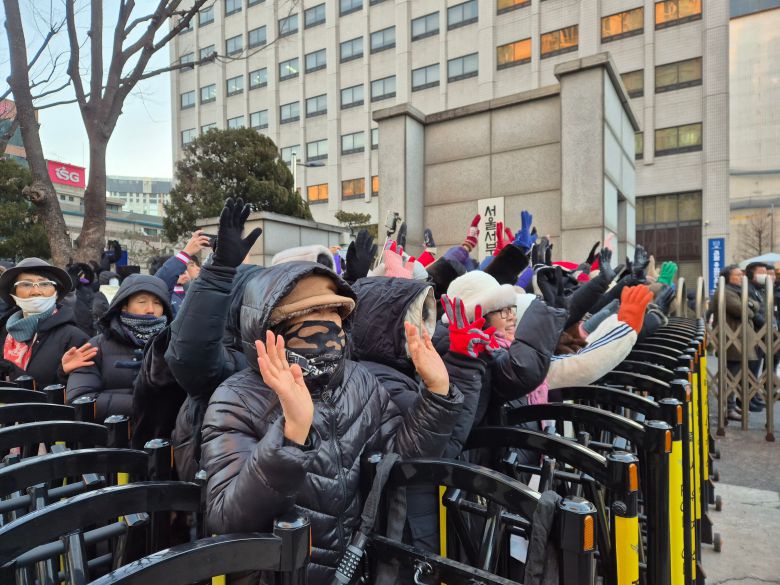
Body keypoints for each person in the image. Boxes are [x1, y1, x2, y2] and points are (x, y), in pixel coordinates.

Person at [200, 261, 464, 584]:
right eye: (310, 315)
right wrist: (291, 436)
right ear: (270, 328)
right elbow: (228, 517)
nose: (326, 325)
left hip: (355, 571)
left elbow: (397, 462)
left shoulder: (358, 381)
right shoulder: (236, 399)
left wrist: (437, 393)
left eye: (334, 312)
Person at [65, 274, 172, 421]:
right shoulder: (97, 346)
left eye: (157, 303)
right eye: (142, 302)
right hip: (111, 433)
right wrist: (141, 405)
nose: (150, 310)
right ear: (124, 306)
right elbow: (79, 400)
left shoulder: (174, 345)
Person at [0, 258, 89, 387]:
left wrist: (63, 373)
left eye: (44, 284)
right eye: (26, 284)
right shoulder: (5, 334)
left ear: (56, 292)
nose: (36, 291)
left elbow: (82, 390)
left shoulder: (74, 338)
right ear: (13, 293)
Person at [711, 265, 760, 419]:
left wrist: (750, 305)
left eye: (741, 274)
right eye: (737, 275)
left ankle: (731, 405)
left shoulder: (738, 291)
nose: (741, 277)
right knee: (732, 375)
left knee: (736, 374)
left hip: (739, 338)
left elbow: (756, 305)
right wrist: (750, 306)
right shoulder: (725, 292)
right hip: (732, 339)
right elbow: (743, 311)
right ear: (727, 277)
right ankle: (728, 408)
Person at [153, 231, 211, 315]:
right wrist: (187, 252)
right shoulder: (165, 293)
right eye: (191, 265)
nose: (198, 268)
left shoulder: (192, 290)